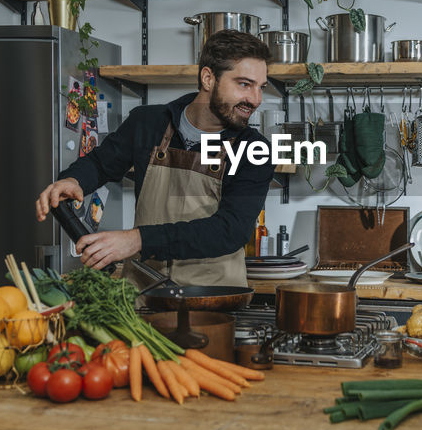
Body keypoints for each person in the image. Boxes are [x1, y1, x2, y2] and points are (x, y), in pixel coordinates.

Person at [36, 30, 274, 283]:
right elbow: (100, 163)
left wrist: (137, 240)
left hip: (213, 301)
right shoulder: (148, 123)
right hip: (144, 295)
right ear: (208, 78)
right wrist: (74, 180)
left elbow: (230, 231)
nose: (256, 99)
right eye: (244, 84)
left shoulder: (254, 149)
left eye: (261, 87)